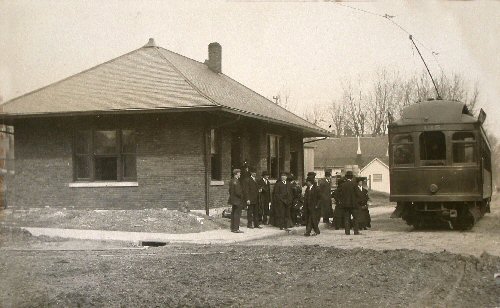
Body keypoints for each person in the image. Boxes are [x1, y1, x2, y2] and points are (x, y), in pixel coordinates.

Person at [338, 171, 360, 235]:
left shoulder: (343, 185)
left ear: (346, 177)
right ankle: (356, 231)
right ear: (352, 177)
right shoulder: (355, 184)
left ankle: (347, 232)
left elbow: (339, 194)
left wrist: (342, 201)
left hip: (345, 205)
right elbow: (358, 194)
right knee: (355, 218)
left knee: (346, 218)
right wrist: (357, 201)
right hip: (353, 204)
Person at [303, 172, 321, 236]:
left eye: (307, 182)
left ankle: (308, 232)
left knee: (311, 219)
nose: (306, 183)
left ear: (310, 182)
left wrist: (317, 205)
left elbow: (319, 198)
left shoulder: (317, 189)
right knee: (310, 219)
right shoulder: (307, 189)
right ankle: (317, 230)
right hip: (307, 207)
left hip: (314, 207)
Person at [229, 169, 244, 233]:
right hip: (237, 200)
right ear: (236, 174)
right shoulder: (236, 181)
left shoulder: (232, 180)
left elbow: (230, 191)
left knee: (234, 213)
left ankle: (233, 228)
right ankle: (236, 229)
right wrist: (242, 195)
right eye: (239, 173)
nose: (240, 174)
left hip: (233, 200)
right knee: (237, 214)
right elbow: (238, 192)